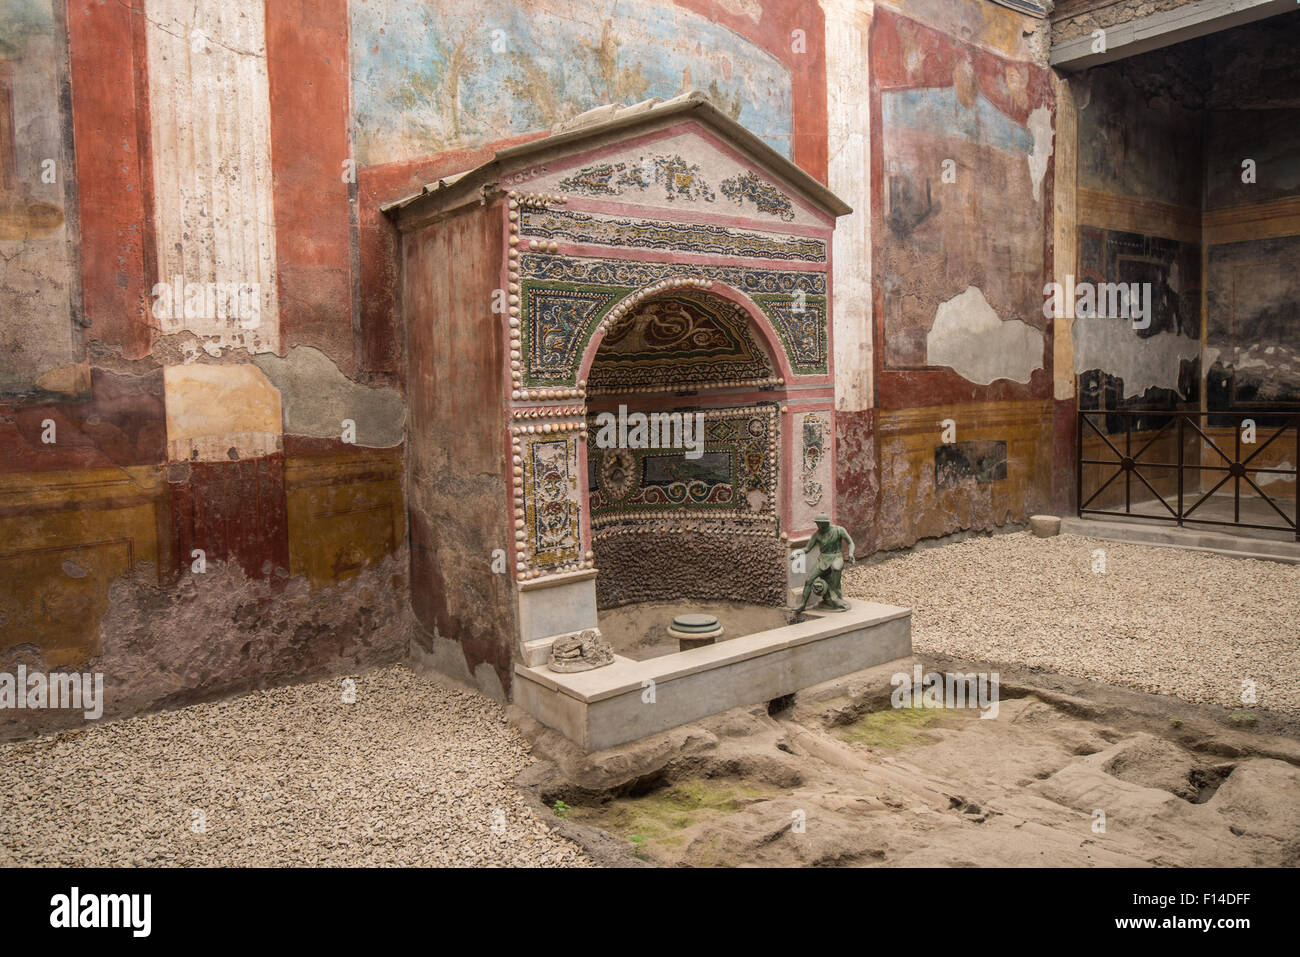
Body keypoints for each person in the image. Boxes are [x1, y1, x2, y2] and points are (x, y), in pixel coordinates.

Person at [792, 513, 855, 613]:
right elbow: (807, 549)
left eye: (821, 524)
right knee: (809, 580)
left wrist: (851, 553)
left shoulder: (839, 530)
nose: (819, 526)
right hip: (823, 559)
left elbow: (850, 542)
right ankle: (802, 604)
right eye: (817, 524)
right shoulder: (817, 535)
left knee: (836, 568)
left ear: (827, 523)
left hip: (836, 557)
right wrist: (797, 552)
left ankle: (835, 598)